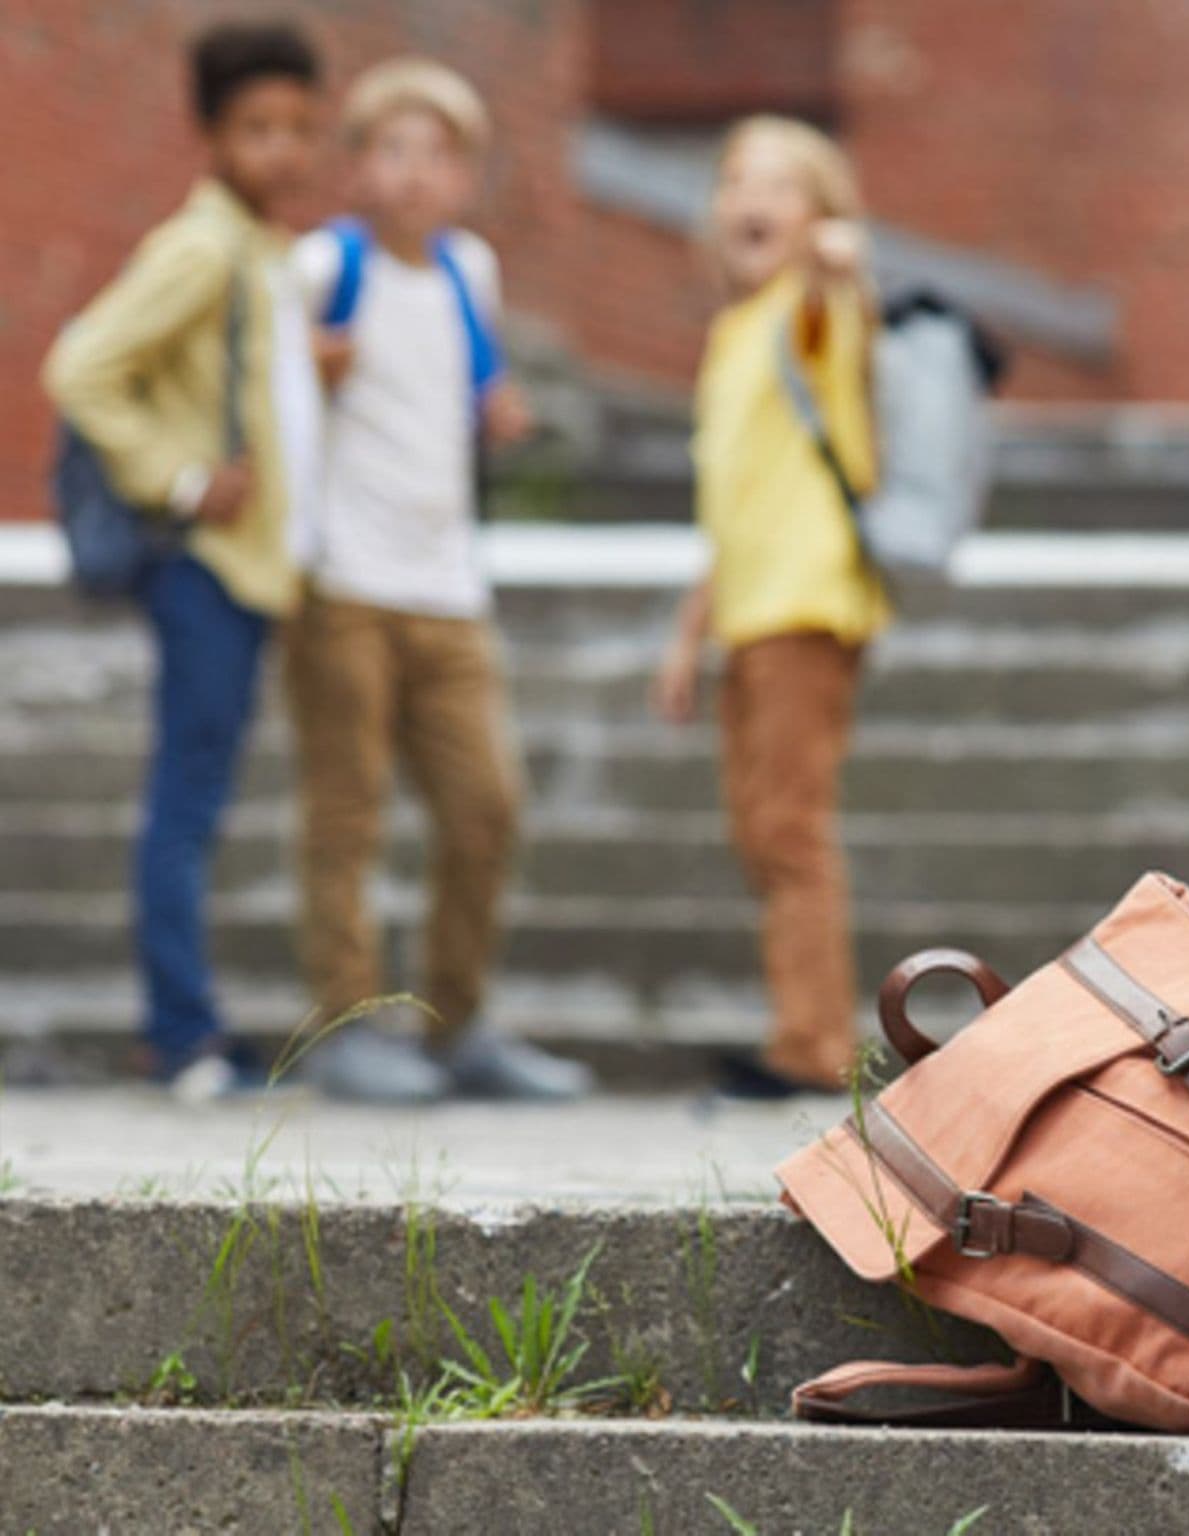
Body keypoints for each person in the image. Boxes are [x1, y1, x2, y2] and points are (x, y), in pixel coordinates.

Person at [284, 59, 589, 1102]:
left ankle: (458, 1022)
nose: (415, 173)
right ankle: (347, 1026)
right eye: (392, 149)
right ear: (359, 165)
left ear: (465, 176)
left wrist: (499, 409)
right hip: (344, 585)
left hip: (449, 587)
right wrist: (304, 373)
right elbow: (275, 401)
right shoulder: (325, 267)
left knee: (485, 805)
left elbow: (469, 382)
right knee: (347, 811)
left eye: (438, 153)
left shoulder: (471, 269)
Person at [43, 22, 323, 1102]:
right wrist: (181, 477)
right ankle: (181, 1034)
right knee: (187, 799)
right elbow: (82, 366)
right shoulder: (203, 245)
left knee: (199, 792)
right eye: (258, 128)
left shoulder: (261, 249)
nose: (284, 150)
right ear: (209, 133)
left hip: (253, 572)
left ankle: (187, 1023)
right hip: (203, 567)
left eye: (301, 128)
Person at [652, 116, 887, 1100]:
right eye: (735, 180)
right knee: (760, 829)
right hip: (746, 610)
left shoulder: (808, 312)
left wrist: (838, 260)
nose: (751, 199)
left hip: (805, 602)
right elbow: (731, 502)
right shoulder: (731, 331)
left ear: (818, 214)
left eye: (780, 186)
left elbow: (843, 294)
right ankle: (802, 1026)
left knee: (788, 827)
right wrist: (688, 633)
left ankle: (813, 1043)